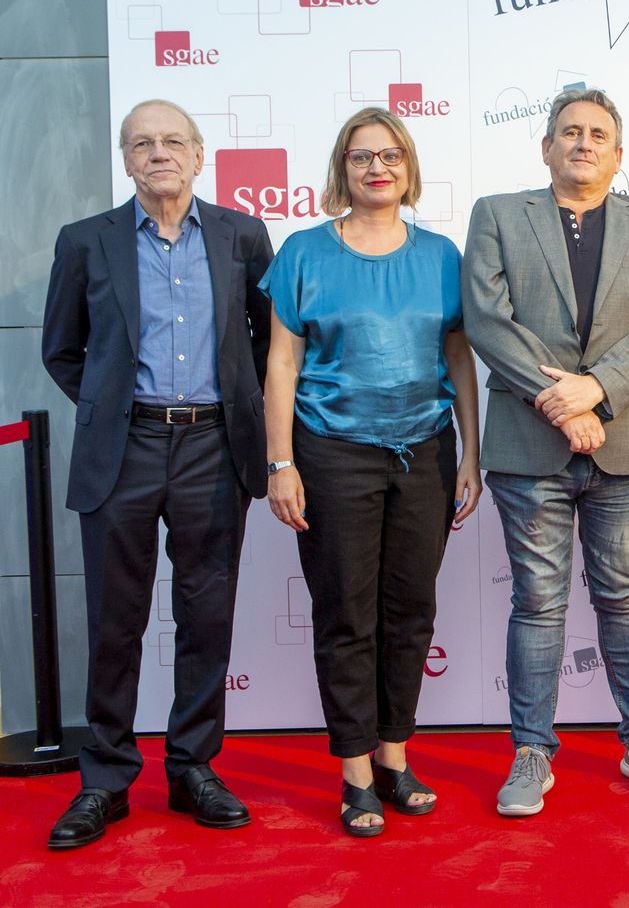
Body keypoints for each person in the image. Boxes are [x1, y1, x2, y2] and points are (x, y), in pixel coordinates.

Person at [42, 99, 274, 849]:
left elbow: (266, 342)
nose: (158, 152)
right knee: (116, 621)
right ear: (126, 159)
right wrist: (115, 408)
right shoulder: (85, 241)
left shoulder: (242, 235)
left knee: (207, 617)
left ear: (199, 155)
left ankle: (192, 768)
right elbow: (62, 350)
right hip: (126, 449)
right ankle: (105, 780)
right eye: (143, 142)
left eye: (173, 140)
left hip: (215, 447)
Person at [462, 88, 629, 816]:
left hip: (624, 445)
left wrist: (595, 389)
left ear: (618, 156)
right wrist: (559, 401)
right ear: (546, 147)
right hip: (529, 448)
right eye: (569, 132)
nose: (583, 143)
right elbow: (486, 322)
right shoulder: (498, 215)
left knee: (626, 597)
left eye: (597, 134)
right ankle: (532, 750)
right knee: (538, 602)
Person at [259, 107, 482, 837]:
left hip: (425, 449)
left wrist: (470, 452)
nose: (376, 167)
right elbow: (282, 363)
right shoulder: (303, 252)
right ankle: (355, 770)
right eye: (361, 157)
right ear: (342, 170)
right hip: (330, 452)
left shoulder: (443, 256)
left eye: (390, 155)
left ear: (409, 167)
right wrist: (281, 461)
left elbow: (458, 360)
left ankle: (395, 754)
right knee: (346, 614)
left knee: (410, 611)